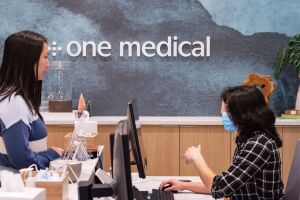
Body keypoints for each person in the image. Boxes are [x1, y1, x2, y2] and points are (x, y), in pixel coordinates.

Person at [160, 85, 284, 199]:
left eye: (226, 111)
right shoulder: (247, 141)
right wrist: (182, 185)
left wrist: (197, 158)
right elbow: (225, 186)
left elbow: (219, 187)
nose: (223, 115)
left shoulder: (258, 145)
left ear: (242, 114)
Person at [0, 30, 63, 171]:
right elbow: (22, 159)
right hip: (16, 187)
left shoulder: (20, 100)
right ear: (29, 60)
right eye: (45, 57)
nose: (48, 64)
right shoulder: (13, 103)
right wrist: (51, 155)